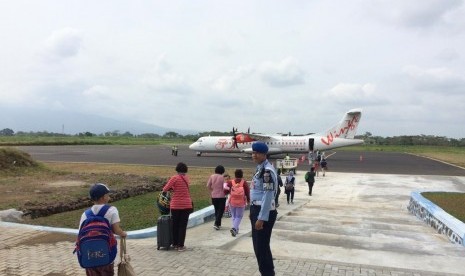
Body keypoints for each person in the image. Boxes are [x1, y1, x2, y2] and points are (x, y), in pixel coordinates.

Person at [79, 183, 127, 275]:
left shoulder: (85, 214)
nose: (109, 197)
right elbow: (116, 230)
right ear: (103, 197)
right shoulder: (111, 210)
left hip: (89, 255)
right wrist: (123, 234)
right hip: (105, 253)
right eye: (107, 195)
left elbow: (80, 234)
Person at [250, 141, 278, 276]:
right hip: (257, 209)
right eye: (253, 152)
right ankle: (268, 272)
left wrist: (261, 217)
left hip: (263, 212)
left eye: (257, 153)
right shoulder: (261, 168)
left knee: (260, 247)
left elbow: (268, 195)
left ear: (264, 154)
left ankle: (267, 273)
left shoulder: (267, 171)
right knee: (261, 246)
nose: (253, 155)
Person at [162, 162, 193, 252]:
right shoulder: (186, 178)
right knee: (182, 226)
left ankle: (175, 244)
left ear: (177, 169)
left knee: (175, 225)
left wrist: (172, 189)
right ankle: (181, 245)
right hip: (186, 204)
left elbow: (165, 189)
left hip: (175, 205)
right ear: (185, 170)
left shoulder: (174, 178)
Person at [225, 169, 250, 237]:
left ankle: (236, 229)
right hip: (241, 202)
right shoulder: (244, 183)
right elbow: (247, 192)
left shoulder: (230, 182)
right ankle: (234, 228)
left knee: (234, 216)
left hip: (232, 202)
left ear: (235, 175)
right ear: (242, 175)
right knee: (239, 216)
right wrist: (248, 200)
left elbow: (225, 191)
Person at [207, 165, 226, 230]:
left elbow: (208, 185)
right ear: (222, 171)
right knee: (221, 210)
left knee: (216, 210)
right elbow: (224, 187)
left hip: (214, 195)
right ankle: (216, 223)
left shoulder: (212, 176)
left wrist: (212, 190)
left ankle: (218, 224)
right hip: (221, 196)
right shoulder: (222, 177)